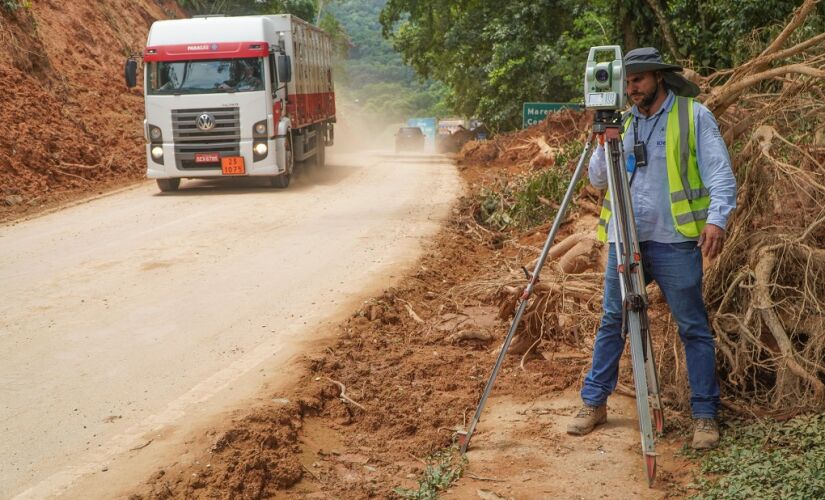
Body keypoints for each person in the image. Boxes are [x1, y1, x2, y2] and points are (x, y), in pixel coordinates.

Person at [566, 47, 737, 450]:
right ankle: (594, 402)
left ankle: (705, 415)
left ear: (659, 77)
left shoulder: (693, 116)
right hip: (626, 241)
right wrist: (602, 136)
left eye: (638, 79)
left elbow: (720, 173)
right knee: (613, 322)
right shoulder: (622, 123)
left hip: (675, 241)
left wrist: (717, 219)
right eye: (626, 81)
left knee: (692, 327)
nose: (631, 88)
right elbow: (597, 180)